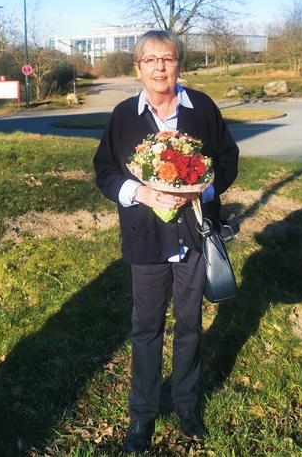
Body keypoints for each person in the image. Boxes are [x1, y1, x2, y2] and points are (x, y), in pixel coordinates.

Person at [94, 30, 238, 453]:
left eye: (168, 59)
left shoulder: (202, 109)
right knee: (146, 326)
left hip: (193, 233)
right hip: (146, 236)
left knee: (190, 324)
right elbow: (104, 171)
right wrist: (140, 193)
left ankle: (187, 405)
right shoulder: (123, 116)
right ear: (137, 67)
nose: (160, 67)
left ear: (179, 64)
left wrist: (203, 190)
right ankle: (142, 415)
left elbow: (228, 160)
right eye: (150, 60)